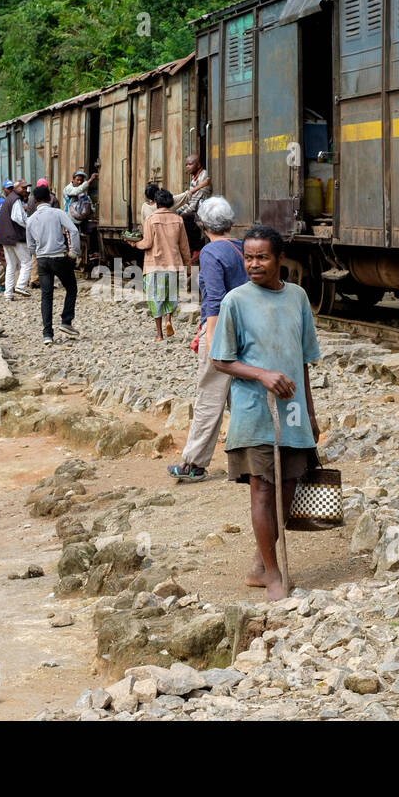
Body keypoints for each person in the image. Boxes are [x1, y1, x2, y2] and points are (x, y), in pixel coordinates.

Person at [209, 225, 321, 601]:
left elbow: (303, 360)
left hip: (291, 412)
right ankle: (273, 574)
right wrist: (262, 375)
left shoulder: (298, 298)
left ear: (279, 260)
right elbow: (221, 360)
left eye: (262, 257)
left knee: (288, 489)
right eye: (249, 257)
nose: (254, 264)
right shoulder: (235, 302)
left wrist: (310, 411)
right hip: (255, 410)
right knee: (262, 489)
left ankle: (260, 561)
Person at [168, 196, 246, 483]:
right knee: (240, 399)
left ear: (201, 224)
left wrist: (208, 337)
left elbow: (214, 298)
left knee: (209, 397)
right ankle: (250, 463)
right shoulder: (242, 248)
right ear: (231, 223)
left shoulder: (212, 253)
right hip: (244, 332)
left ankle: (194, 464)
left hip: (221, 333)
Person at [26, 184, 81, 345]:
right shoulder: (58, 213)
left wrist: (38, 255)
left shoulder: (30, 220)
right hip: (59, 257)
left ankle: (47, 335)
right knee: (71, 287)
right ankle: (66, 320)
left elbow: (30, 246)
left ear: (35, 201)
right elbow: (74, 231)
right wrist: (74, 253)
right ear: (50, 199)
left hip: (42, 260)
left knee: (46, 295)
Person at [134, 187, 190, 341]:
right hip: (173, 265)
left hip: (154, 266)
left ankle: (159, 335)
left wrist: (134, 244)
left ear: (156, 203)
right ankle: (168, 320)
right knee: (170, 296)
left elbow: (147, 243)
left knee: (155, 298)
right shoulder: (178, 220)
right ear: (170, 202)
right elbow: (184, 246)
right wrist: (188, 267)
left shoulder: (150, 219)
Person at [0, 180, 32, 301]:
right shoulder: (15, 199)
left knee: (11, 265)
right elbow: (17, 217)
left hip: (6, 237)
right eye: (23, 188)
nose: (25, 190)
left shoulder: (9, 198)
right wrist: (29, 226)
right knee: (27, 262)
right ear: (16, 188)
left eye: (26, 188)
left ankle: (8, 293)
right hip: (16, 236)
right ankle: (20, 286)